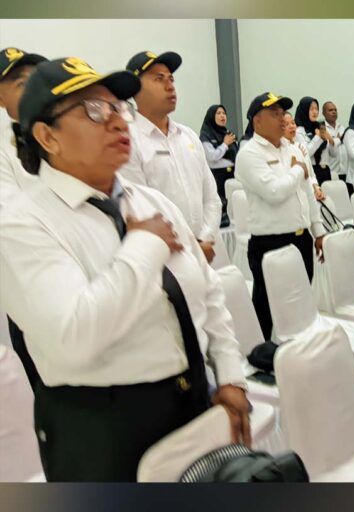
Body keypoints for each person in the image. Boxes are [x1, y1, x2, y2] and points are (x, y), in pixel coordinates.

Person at [1, 57, 250, 481]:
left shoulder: (151, 201)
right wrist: (144, 245)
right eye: (94, 110)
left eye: (119, 108)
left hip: (194, 399)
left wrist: (229, 375)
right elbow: (74, 337)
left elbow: (207, 293)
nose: (118, 121)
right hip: (104, 431)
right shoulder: (23, 224)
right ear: (47, 136)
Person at [235, 92, 326, 340]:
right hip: (270, 242)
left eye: (282, 113)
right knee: (266, 307)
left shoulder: (292, 148)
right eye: (274, 114)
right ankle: (260, 352)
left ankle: (300, 349)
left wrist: (318, 231)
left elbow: (307, 192)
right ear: (257, 120)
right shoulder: (249, 154)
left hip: (301, 238)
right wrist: (298, 170)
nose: (282, 118)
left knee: (301, 304)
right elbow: (274, 192)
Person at [118, 51, 221, 264]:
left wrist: (205, 238)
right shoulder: (127, 141)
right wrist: (192, 248)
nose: (170, 86)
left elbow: (211, 198)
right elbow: (140, 211)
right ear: (135, 90)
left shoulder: (188, 136)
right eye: (159, 79)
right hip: (164, 258)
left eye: (171, 79)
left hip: (204, 251)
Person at [0, 47, 47, 387]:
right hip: (33, 287)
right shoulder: (3, 151)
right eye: (20, 83)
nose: (33, 89)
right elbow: (14, 220)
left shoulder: (69, 134)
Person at [0, 47, 46, 209]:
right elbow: (11, 212)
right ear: (1, 99)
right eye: (23, 84)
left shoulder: (71, 128)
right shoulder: (4, 151)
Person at [200, 104, 238, 228]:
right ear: (211, 116)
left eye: (224, 113)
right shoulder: (206, 135)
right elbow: (211, 156)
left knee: (234, 205)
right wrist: (225, 144)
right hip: (217, 175)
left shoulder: (227, 133)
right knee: (220, 205)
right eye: (218, 113)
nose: (222, 116)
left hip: (232, 173)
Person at [283, 111, 325, 201]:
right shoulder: (281, 149)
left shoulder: (301, 146)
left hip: (309, 195)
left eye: (293, 123)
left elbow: (311, 174)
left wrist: (316, 188)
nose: (291, 126)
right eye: (286, 124)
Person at [294, 96, 336, 184]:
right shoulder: (299, 131)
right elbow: (306, 153)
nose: (315, 112)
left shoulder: (320, 127)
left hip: (325, 171)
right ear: (304, 110)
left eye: (316, 109)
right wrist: (318, 137)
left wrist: (331, 141)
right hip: (311, 171)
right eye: (311, 109)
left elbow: (334, 154)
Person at [322, 100, 345, 181]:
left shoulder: (342, 127)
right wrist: (338, 140)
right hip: (331, 172)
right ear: (323, 113)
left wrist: (333, 140)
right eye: (330, 110)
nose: (334, 112)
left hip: (344, 171)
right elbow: (329, 146)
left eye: (335, 110)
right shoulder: (322, 129)